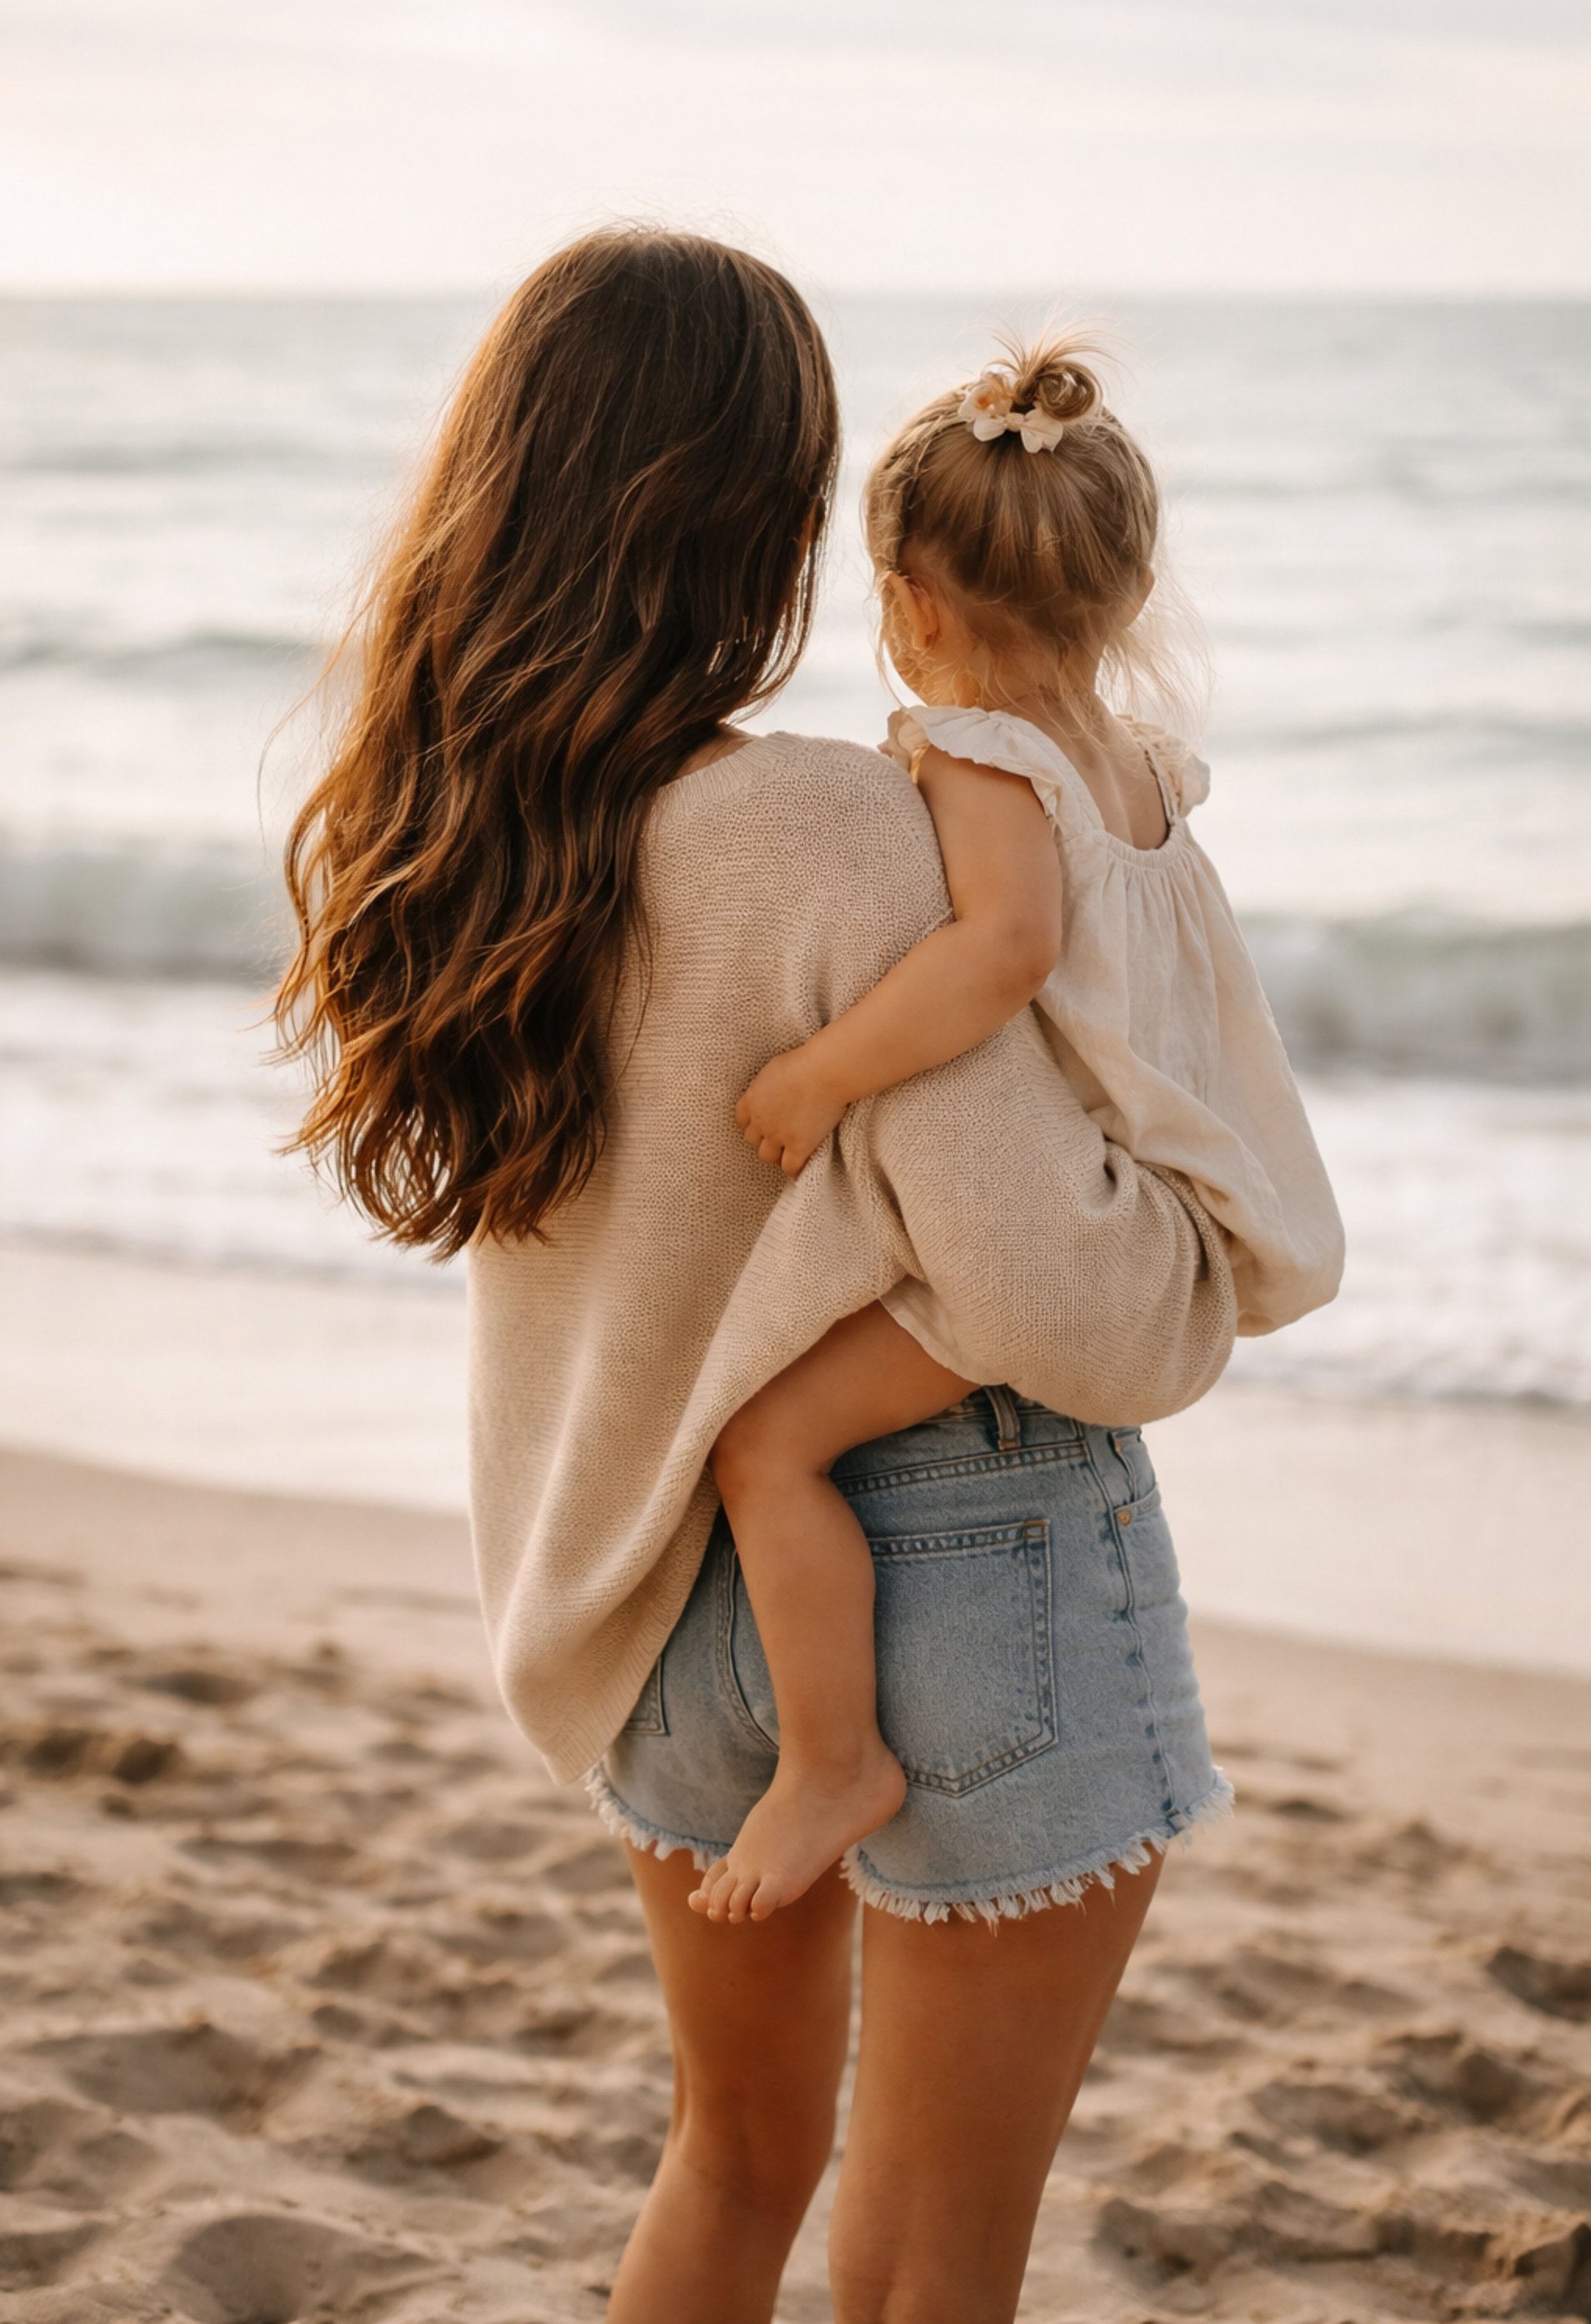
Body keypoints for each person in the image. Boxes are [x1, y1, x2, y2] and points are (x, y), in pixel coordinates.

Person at [278, 227, 1248, 2322]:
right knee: (928, 2269)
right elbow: (1066, 1307)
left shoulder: (449, 836)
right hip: (965, 1568)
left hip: (651, 1602)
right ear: (757, 515)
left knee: (730, 2170)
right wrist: (1206, 1267)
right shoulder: (828, 834)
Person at [693, 335, 1343, 1925]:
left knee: (763, 1446)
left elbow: (1002, 955)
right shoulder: (1139, 770)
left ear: (906, 601)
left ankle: (831, 1760)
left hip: (1092, 1249)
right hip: (1172, 1206)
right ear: (1122, 596)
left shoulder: (982, 759)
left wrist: (825, 1071)